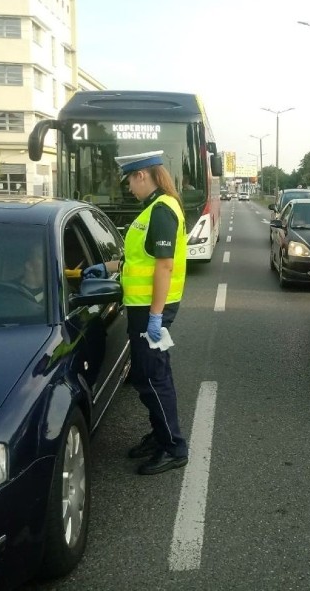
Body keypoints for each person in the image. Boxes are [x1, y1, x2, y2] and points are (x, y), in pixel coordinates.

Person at [83, 150, 189, 475]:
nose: (129, 187)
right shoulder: (152, 210)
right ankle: (160, 436)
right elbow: (139, 262)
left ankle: (173, 447)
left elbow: (165, 266)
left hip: (152, 311)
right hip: (144, 309)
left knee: (152, 378)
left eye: (130, 180)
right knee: (150, 375)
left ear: (142, 175)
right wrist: (106, 266)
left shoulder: (161, 211)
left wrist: (156, 317)